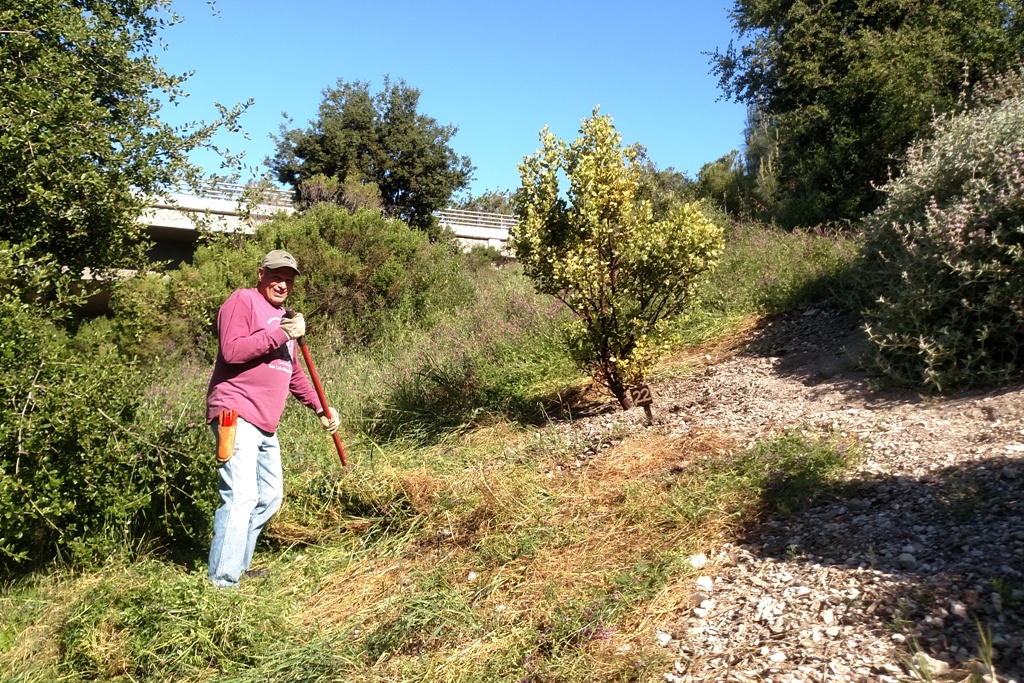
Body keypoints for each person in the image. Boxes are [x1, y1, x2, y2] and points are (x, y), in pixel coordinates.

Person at [205, 249, 339, 588]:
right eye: (277, 276)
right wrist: (282, 333)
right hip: (236, 411)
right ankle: (222, 583)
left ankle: (238, 565)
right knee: (241, 496)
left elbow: (292, 373)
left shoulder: (285, 318)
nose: (283, 284)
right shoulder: (244, 301)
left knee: (269, 497)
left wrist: (320, 407)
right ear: (261, 273)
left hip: (266, 424)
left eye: (289, 280)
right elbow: (232, 351)